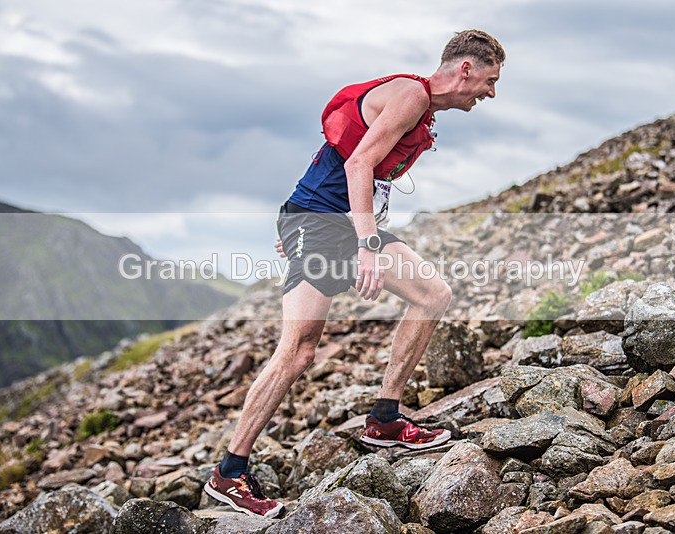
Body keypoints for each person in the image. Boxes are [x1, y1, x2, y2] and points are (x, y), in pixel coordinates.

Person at [204, 29, 505, 518]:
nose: (490, 93)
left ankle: (385, 420)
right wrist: (359, 246)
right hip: (323, 223)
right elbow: (358, 164)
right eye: (490, 81)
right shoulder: (411, 95)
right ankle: (229, 473)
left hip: (338, 223)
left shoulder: (421, 110)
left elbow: (363, 174)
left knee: (432, 294)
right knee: (299, 351)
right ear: (465, 69)